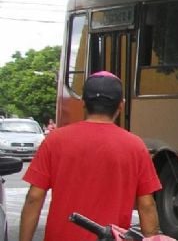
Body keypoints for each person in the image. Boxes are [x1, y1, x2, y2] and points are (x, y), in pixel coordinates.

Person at [20, 71, 162, 241]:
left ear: (84, 103)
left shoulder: (55, 140)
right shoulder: (135, 146)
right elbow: (146, 206)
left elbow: (34, 198)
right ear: (121, 105)